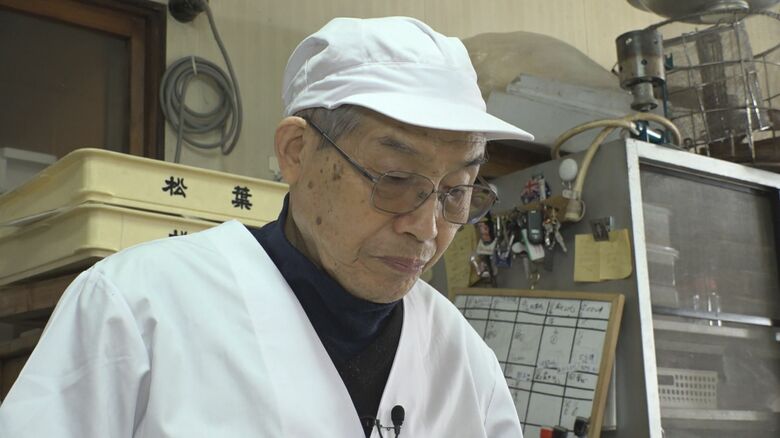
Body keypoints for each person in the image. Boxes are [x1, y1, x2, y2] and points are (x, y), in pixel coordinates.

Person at [0, 16, 533, 437]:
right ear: (296, 152)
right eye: (394, 179)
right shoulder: (136, 308)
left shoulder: (465, 363)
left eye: (457, 190)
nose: (426, 227)